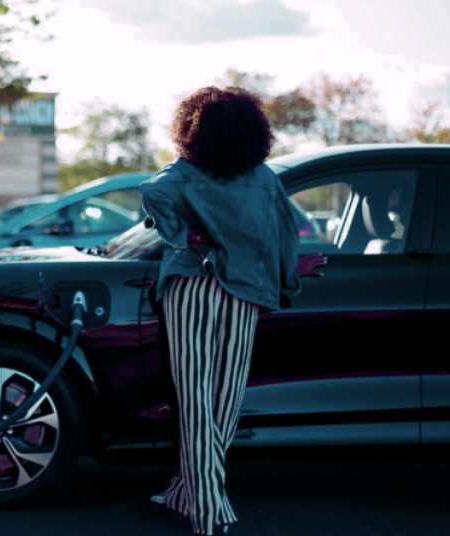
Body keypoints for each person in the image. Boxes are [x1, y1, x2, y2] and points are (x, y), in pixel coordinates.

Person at [139, 86, 327, 535]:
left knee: (195, 402)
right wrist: (289, 274)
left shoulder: (184, 173)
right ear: (251, 131)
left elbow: (151, 193)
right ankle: (198, 500)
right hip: (244, 292)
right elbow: (285, 237)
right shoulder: (263, 178)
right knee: (223, 403)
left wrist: (185, 237)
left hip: (190, 288)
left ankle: (201, 508)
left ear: (192, 131)